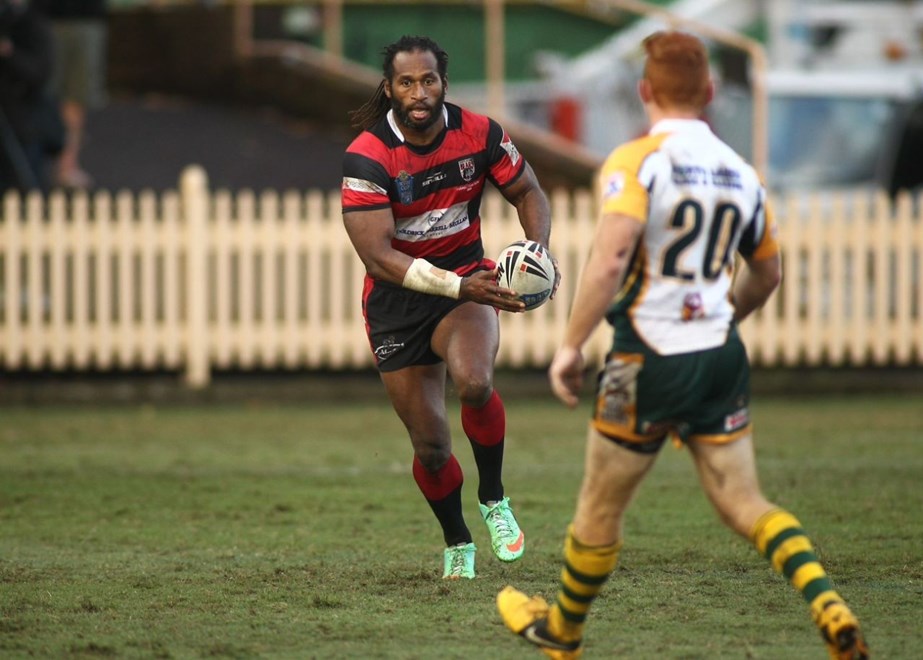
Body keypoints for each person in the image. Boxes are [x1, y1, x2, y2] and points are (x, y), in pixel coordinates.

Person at [496, 31, 868, 660]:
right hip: (720, 355)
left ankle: (563, 633)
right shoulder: (742, 174)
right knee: (745, 502)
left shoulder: (636, 161)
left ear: (645, 91)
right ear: (711, 92)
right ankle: (829, 606)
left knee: (599, 506)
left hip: (645, 357)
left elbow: (611, 257)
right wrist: (721, 321)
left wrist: (571, 345)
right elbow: (767, 274)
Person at [341, 35, 557, 580]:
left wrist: (537, 252)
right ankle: (457, 540)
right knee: (432, 447)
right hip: (398, 302)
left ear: (443, 83)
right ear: (389, 88)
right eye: (406, 82)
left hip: (467, 285)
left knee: (475, 381)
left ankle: (494, 499)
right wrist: (460, 288)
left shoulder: (480, 134)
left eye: (428, 80)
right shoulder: (367, 156)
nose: (418, 92)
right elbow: (378, 258)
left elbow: (529, 192)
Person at [46, 0, 107, 189]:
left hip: (84, 17)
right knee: (43, 93)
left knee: (76, 97)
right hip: (47, 17)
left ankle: (67, 164)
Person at [0, 0, 55, 193]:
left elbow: (38, 73)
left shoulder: (33, 25)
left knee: (24, 184)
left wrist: (10, 53)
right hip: (12, 114)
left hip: (23, 122)